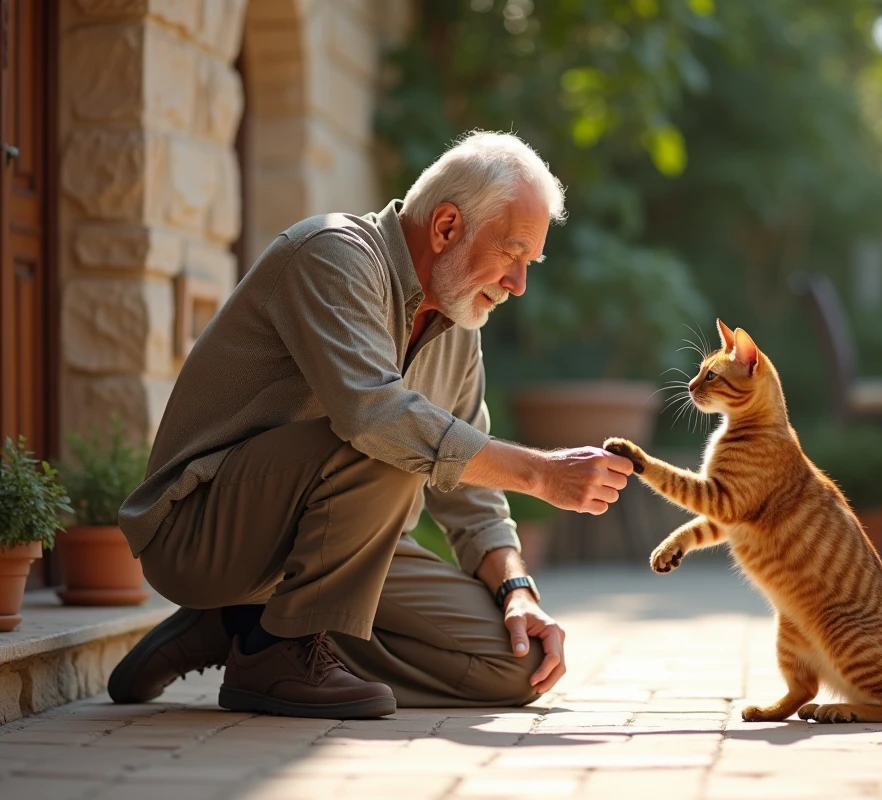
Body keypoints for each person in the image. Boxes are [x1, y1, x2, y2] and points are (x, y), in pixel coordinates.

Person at [109, 131, 636, 719]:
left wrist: (516, 590)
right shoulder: (331, 253)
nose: (518, 283)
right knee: (389, 440)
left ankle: (240, 623)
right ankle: (273, 649)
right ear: (445, 227)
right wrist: (540, 473)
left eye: (529, 262)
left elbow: (472, 503)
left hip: (345, 546)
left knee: (514, 666)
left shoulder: (461, 328)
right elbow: (373, 416)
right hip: (203, 532)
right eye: (512, 253)